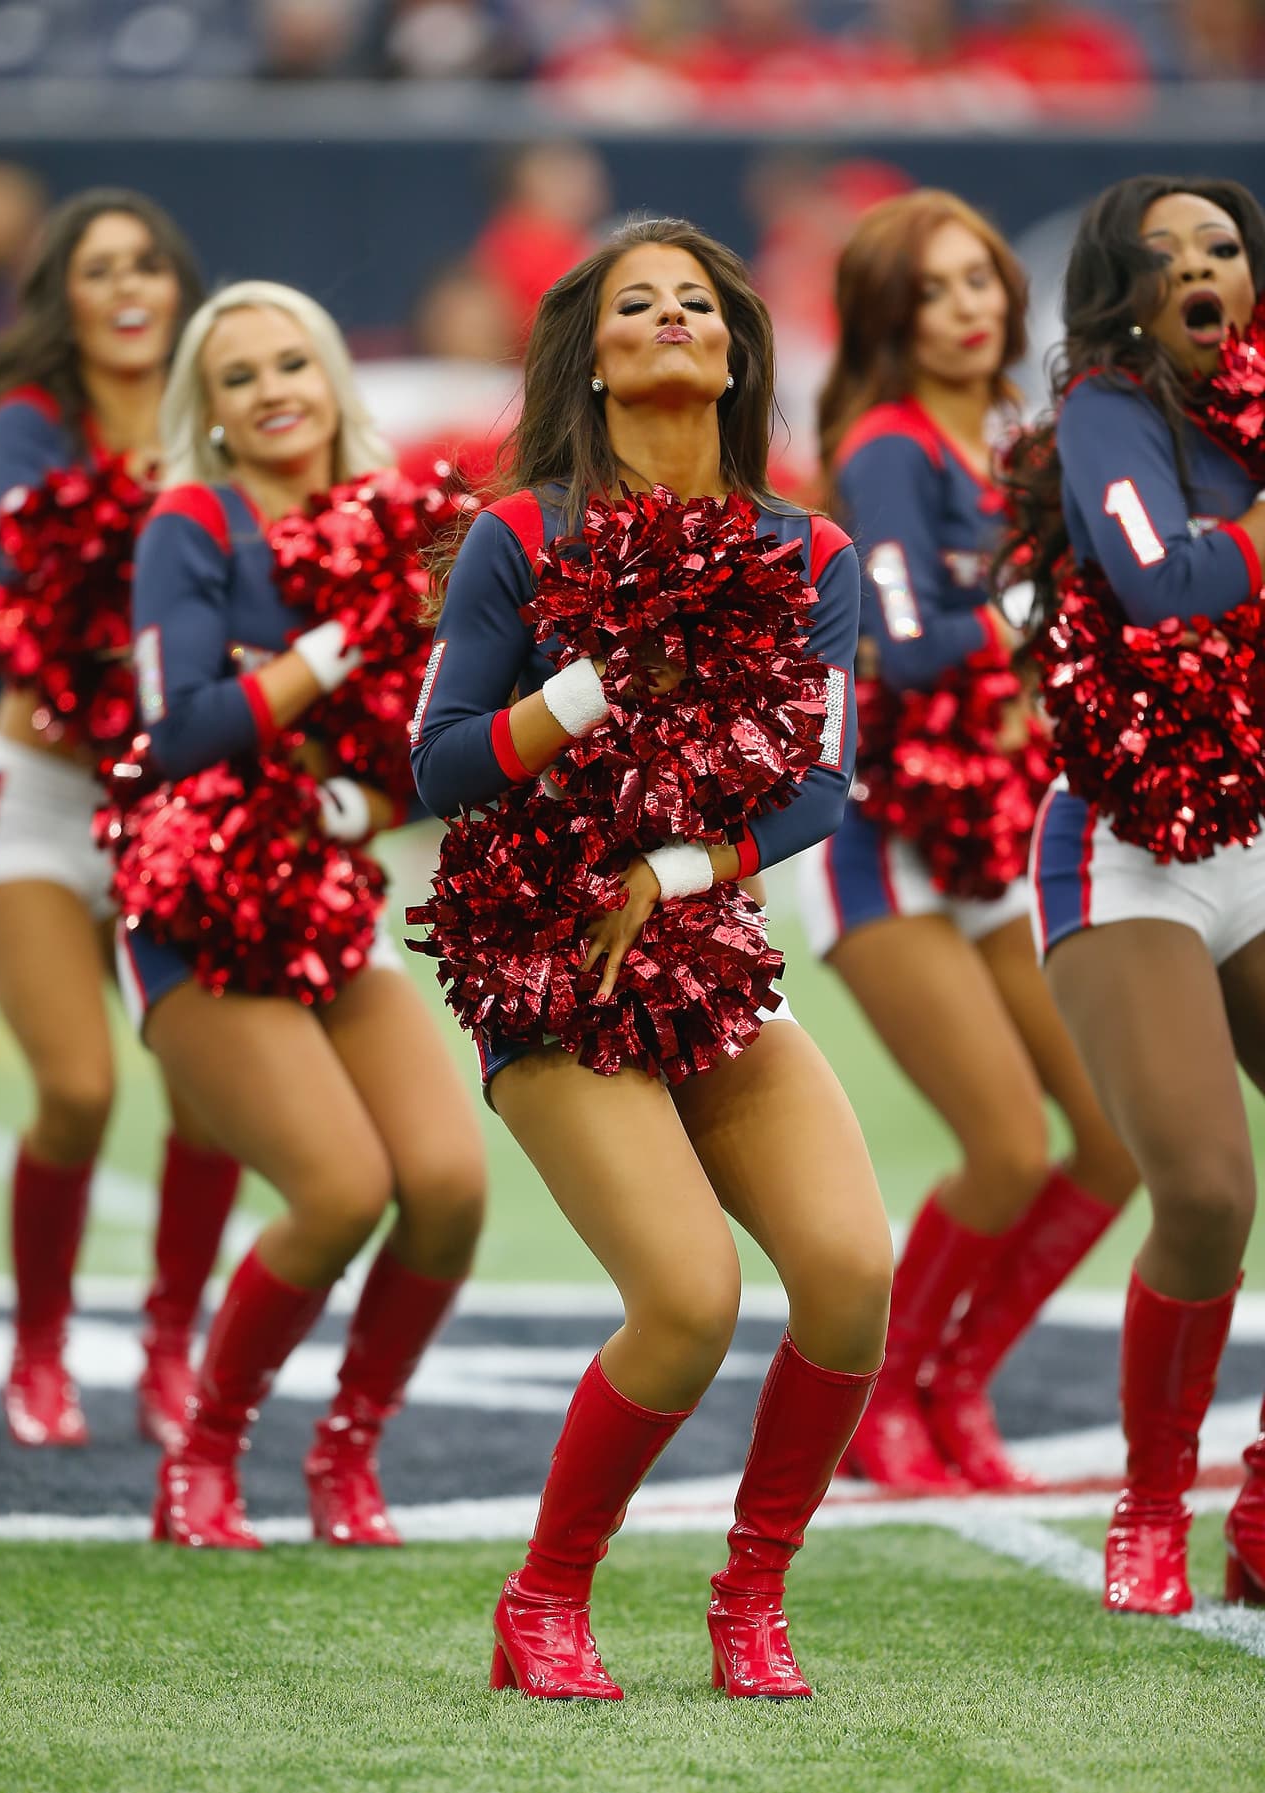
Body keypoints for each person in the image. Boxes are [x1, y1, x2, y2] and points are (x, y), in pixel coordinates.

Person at [410, 217, 892, 1700]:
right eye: (638, 303)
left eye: (697, 302)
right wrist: (583, 693)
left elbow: (819, 783)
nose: (672, 317)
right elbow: (438, 766)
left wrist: (675, 869)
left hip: (698, 940)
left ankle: (752, 1598)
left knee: (852, 1271)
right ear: (596, 360)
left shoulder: (806, 552)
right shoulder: (522, 536)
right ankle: (545, 1598)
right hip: (545, 955)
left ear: (736, 354)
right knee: (686, 1302)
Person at [129, 280, 486, 1548]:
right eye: (239, 377)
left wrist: (347, 790)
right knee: (338, 1188)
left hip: (327, 896)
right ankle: (204, 1455)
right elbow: (182, 734)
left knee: (446, 1184)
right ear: (209, 414)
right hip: (197, 906)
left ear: (336, 375)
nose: (273, 389)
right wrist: (336, 647)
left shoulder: (405, 523)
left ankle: (347, 1453)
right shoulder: (192, 522)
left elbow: (428, 747)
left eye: (293, 361)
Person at [800, 190, 1137, 1493]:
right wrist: (1036, 606)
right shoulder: (887, 448)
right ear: (890, 316)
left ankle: (955, 1381)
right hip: (885, 837)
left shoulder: (1013, 438)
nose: (969, 308)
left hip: (994, 825)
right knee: (1004, 1144)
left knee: (1110, 1139)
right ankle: (882, 1403)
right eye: (933, 290)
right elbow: (916, 645)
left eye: (981, 281)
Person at [999, 174, 1265, 1611]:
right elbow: (1156, 582)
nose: (1197, 271)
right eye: (1162, 257)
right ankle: (1154, 1502)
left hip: (1264, 827)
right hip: (1130, 842)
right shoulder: (1112, 411)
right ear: (1124, 292)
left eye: (1220, 246)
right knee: (1211, 1192)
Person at [0, 188, 246, 1455]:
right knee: (78, 1089)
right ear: (65, 299)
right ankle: (37, 1348)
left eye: (149, 262)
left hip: (179, 806)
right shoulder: (30, 424)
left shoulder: (223, 418)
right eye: (99, 269)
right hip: (41, 796)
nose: (130, 287)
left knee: (208, 1099)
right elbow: (27, 575)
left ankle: (167, 1346)